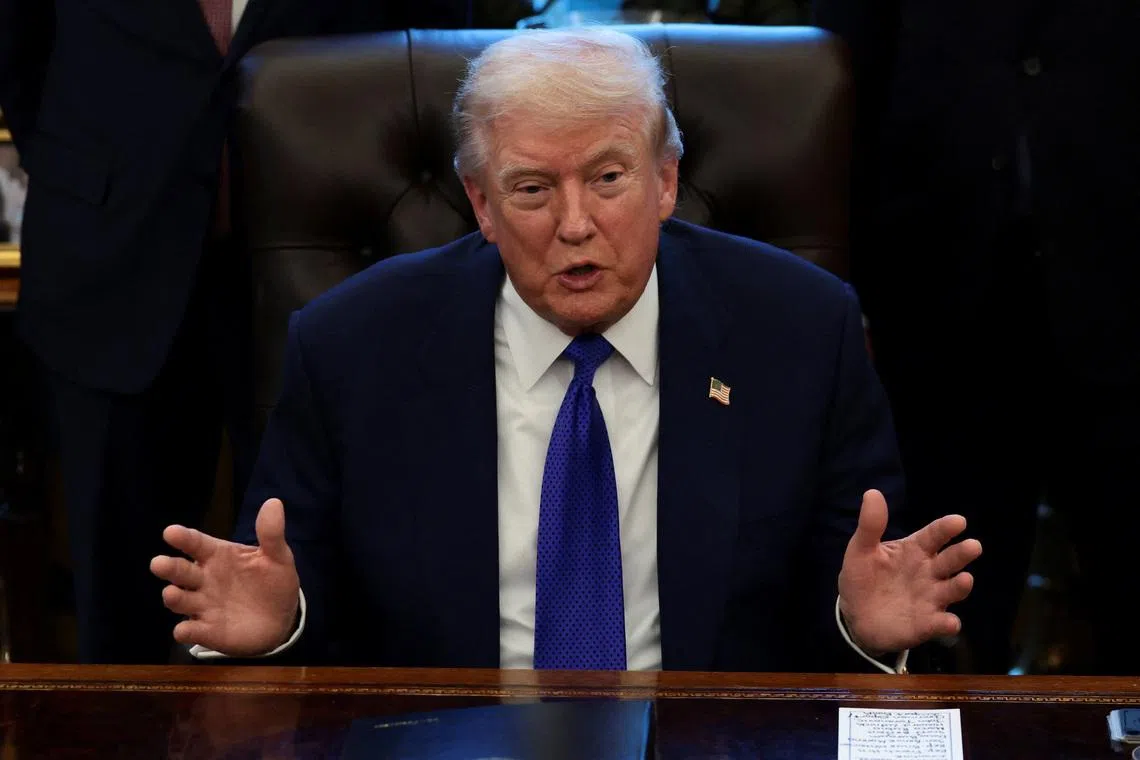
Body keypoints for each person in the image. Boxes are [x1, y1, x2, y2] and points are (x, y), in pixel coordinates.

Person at [150, 29, 981, 671]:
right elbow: (300, 594)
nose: (575, 224)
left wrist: (862, 628)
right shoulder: (351, 345)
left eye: (609, 179)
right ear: (479, 201)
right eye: (533, 189)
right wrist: (279, 624)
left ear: (665, 180)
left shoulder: (800, 331)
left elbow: (848, 599)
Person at [0, 0, 472, 663]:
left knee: (324, 578)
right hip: (110, 255)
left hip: (329, 258)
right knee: (116, 604)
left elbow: (438, 47)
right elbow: (20, 57)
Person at [813, 1, 1140, 674]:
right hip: (939, 309)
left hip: (1120, 296)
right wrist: (849, 305)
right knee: (951, 621)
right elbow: (837, 91)